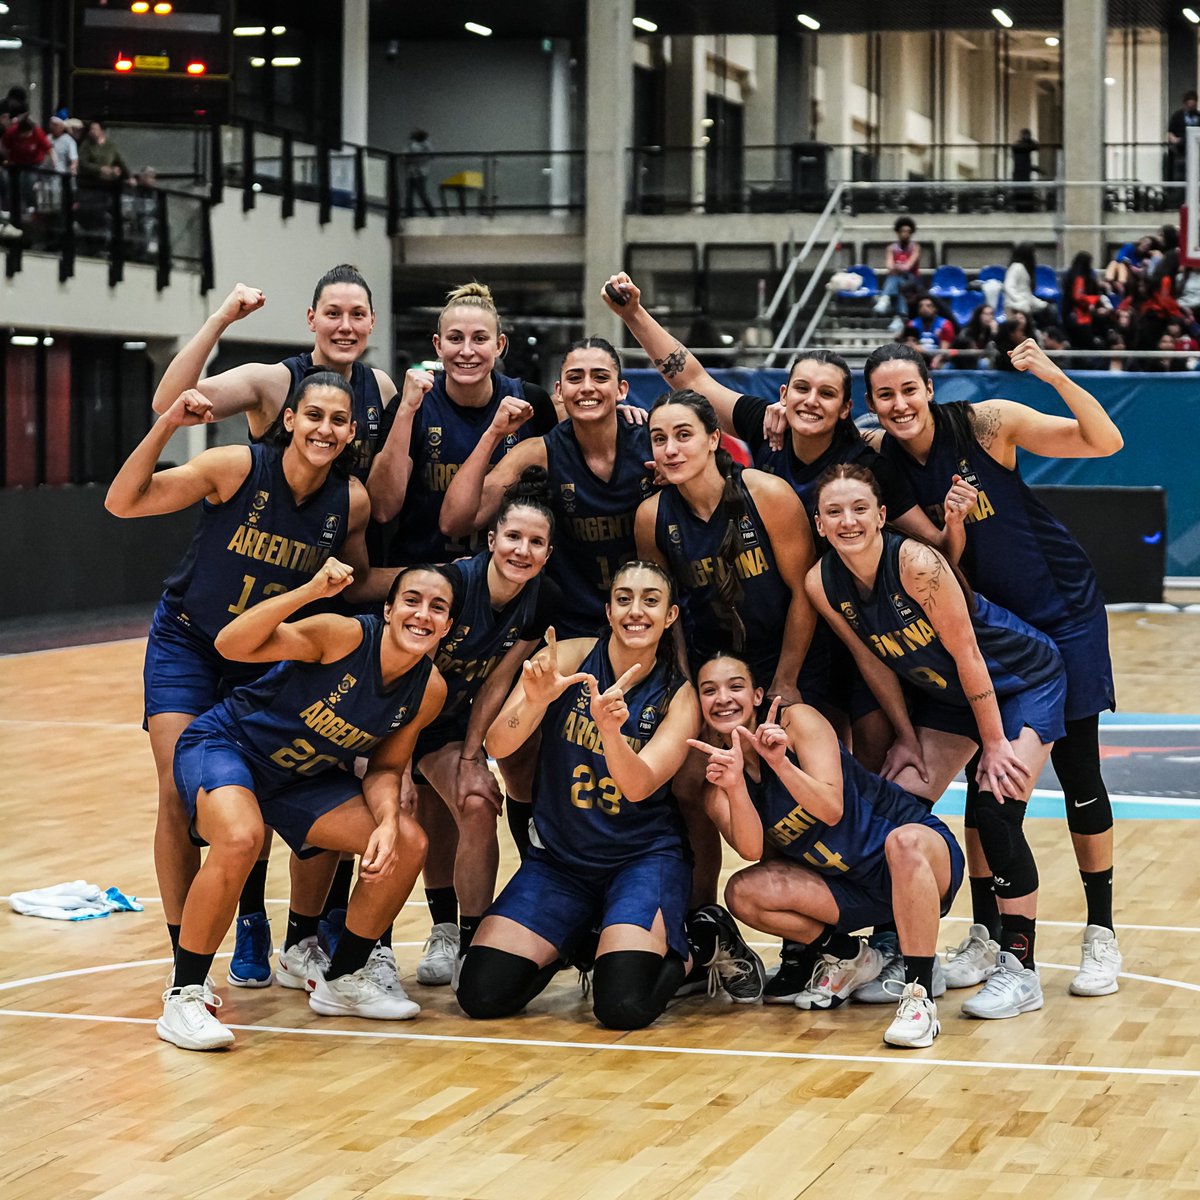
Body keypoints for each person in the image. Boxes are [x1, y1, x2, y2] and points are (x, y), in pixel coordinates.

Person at [868, 339, 1126, 999]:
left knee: (1079, 773)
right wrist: (951, 524)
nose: (899, 404)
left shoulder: (987, 423)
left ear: (930, 387)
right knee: (990, 787)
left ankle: (1102, 934)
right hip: (993, 629)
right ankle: (986, 938)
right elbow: (942, 562)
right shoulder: (885, 464)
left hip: (1062, 612)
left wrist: (1050, 373)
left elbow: (1105, 441)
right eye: (884, 395)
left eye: (908, 389)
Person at [104, 375, 375, 995]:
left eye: (338, 420)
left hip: (267, 657)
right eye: (313, 415)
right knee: (178, 792)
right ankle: (185, 969)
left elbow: (355, 580)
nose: (324, 429)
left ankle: (273, 932)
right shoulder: (234, 466)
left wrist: (446, 583)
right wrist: (168, 424)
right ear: (289, 419)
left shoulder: (351, 502)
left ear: (352, 431)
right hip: (191, 644)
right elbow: (124, 501)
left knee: (282, 788)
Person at [806, 463, 1068, 1021]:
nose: (848, 520)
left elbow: (970, 654)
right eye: (834, 511)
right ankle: (896, 948)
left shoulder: (917, 563)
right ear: (819, 523)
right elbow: (872, 659)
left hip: (1020, 681)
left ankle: (1020, 969)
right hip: (951, 699)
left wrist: (993, 742)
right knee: (893, 805)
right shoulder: (821, 582)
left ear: (881, 515)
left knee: (997, 807)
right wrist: (905, 735)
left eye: (859, 509)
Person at [160, 558, 455, 1050]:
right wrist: (311, 591)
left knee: (407, 841)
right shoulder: (342, 636)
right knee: (240, 837)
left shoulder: (429, 690)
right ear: (388, 609)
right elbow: (230, 644)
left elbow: (385, 768)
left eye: (437, 607)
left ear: (448, 625)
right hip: (229, 747)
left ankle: (343, 980)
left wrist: (386, 821)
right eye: (412, 600)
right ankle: (184, 995)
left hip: (297, 778)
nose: (422, 614)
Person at [457, 562, 764, 1029]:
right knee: (481, 994)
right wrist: (536, 700)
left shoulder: (679, 696)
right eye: (623, 599)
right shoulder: (570, 658)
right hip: (561, 864)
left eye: (650, 600)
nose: (635, 611)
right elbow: (497, 746)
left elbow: (640, 785)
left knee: (622, 1007)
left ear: (670, 616)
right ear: (608, 609)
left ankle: (702, 942)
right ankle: (579, 934)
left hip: (642, 860)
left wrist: (611, 733)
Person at [687, 655, 965, 1047]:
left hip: (916, 862)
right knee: (743, 893)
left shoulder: (797, 722)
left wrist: (781, 765)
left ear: (757, 695)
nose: (723, 699)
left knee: (902, 843)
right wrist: (734, 786)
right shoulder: (717, 786)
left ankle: (918, 998)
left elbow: (830, 808)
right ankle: (853, 957)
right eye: (709, 690)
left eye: (735, 686)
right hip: (846, 886)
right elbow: (750, 850)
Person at [410, 475, 562, 985]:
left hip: (451, 722)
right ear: (491, 538)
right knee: (415, 808)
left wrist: (475, 756)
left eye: (536, 542)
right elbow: (406, 676)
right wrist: (395, 766)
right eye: (513, 537)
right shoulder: (450, 586)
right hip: (393, 718)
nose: (523, 550)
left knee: (476, 800)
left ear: (548, 552)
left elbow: (496, 683)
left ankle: (470, 940)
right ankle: (417, 937)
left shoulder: (541, 598)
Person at [440, 336, 654, 638]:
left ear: (622, 390)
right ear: (559, 391)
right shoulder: (539, 452)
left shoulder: (652, 444)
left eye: (601, 377)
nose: (587, 387)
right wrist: (493, 434)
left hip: (642, 620)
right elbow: (455, 521)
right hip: (570, 626)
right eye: (575, 378)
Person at [368, 281, 559, 568]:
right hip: (422, 573)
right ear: (438, 345)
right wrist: (406, 410)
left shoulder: (531, 402)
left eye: (480, 339)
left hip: (505, 577)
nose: (466, 351)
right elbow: (382, 509)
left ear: (499, 345)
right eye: (455, 338)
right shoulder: (413, 404)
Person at [151, 266, 397, 485]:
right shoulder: (273, 382)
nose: (346, 326)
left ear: (372, 321)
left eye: (358, 314)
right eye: (333, 314)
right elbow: (168, 403)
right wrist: (220, 319)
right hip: (279, 530)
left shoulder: (381, 386)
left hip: (355, 533)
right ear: (312, 319)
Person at [875, 217, 922, 323]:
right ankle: (901, 316)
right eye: (903, 231)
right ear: (898, 232)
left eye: (908, 232)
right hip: (899, 280)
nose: (906, 234)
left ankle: (884, 298)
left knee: (897, 279)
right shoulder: (891, 248)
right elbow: (889, 266)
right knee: (899, 282)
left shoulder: (915, 247)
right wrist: (899, 267)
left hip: (912, 279)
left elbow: (908, 267)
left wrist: (897, 266)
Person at [1061, 252, 1108, 353]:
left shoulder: (1070, 276)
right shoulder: (1080, 279)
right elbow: (1078, 297)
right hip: (1079, 315)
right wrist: (1091, 304)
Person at [1003, 242, 1053, 326]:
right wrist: (1020, 301)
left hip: (1024, 310)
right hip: (1015, 310)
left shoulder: (1024, 269)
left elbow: (1026, 294)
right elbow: (1008, 286)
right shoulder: (1016, 267)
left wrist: (1042, 304)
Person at [78, 119, 129, 184]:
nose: (92, 131)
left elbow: (121, 162)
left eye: (94, 129)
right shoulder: (86, 145)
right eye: (91, 129)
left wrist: (128, 176)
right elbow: (83, 163)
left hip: (108, 184)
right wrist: (100, 168)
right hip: (90, 182)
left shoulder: (111, 146)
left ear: (101, 131)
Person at [1167, 90, 1200, 182]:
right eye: (1189, 105)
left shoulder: (1198, 116)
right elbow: (1170, 133)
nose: (1191, 107)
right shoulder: (1177, 116)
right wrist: (1176, 141)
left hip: (1196, 152)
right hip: (1180, 152)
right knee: (1180, 178)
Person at [405, 129, 436, 217]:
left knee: (421, 194)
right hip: (413, 173)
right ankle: (410, 214)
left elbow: (428, 156)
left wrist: (412, 160)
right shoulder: (414, 144)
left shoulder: (424, 145)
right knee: (410, 195)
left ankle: (431, 213)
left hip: (419, 173)